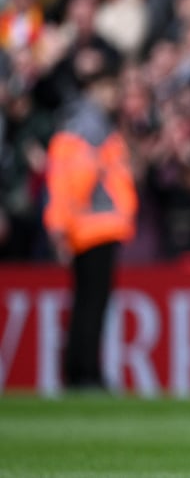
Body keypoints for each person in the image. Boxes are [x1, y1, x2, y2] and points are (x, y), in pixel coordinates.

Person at [43, 53, 137, 391]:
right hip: (93, 226)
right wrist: (60, 227)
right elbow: (70, 183)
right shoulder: (87, 129)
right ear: (95, 89)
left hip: (94, 226)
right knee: (91, 304)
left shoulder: (90, 126)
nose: (114, 96)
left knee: (89, 303)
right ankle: (84, 372)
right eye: (110, 89)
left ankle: (82, 370)